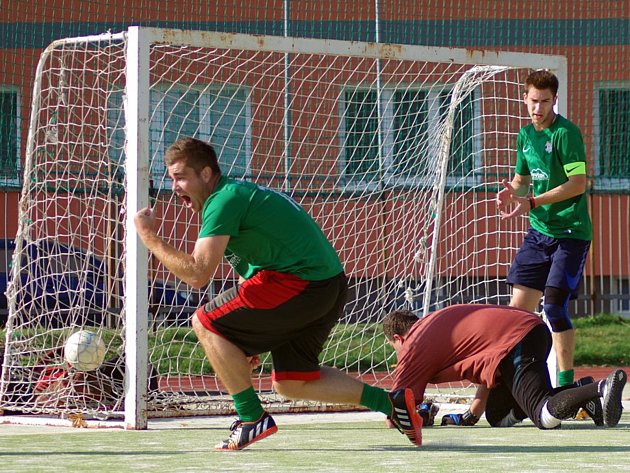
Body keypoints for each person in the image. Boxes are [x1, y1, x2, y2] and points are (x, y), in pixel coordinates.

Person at [134, 137, 422, 450]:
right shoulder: (235, 194)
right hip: (328, 285)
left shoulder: (223, 200)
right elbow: (257, 270)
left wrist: (148, 235)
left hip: (300, 283)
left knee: (204, 322)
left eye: (180, 177)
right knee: (293, 381)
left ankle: (250, 418)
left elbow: (197, 274)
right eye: (171, 178)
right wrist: (248, 337)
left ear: (206, 174)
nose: (174, 187)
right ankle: (392, 403)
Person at [383, 305, 626, 435]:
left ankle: (601, 388)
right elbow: (485, 359)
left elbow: (394, 419)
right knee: (499, 416)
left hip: (516, 341)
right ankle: (583, 395)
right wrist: (472, 414)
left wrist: (421, 417)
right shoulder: (433, 325)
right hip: (520, 335)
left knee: (544, 416)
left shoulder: (412, 347)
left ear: (398, 338)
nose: (398, 355)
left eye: (394, 348)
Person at [496, 69, 592, 390]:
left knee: (552, 306)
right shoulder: (525, 136)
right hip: (539, 234)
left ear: (555, 101)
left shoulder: (566, 134)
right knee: (517, 313)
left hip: (570, 234)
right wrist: (512, 191)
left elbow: (578, 184)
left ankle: (566, 386)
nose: (538, 108)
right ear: (525, 98)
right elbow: (523, 182)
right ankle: (518, 383)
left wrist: (533, 201)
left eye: (545, 102)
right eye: (533, 101)